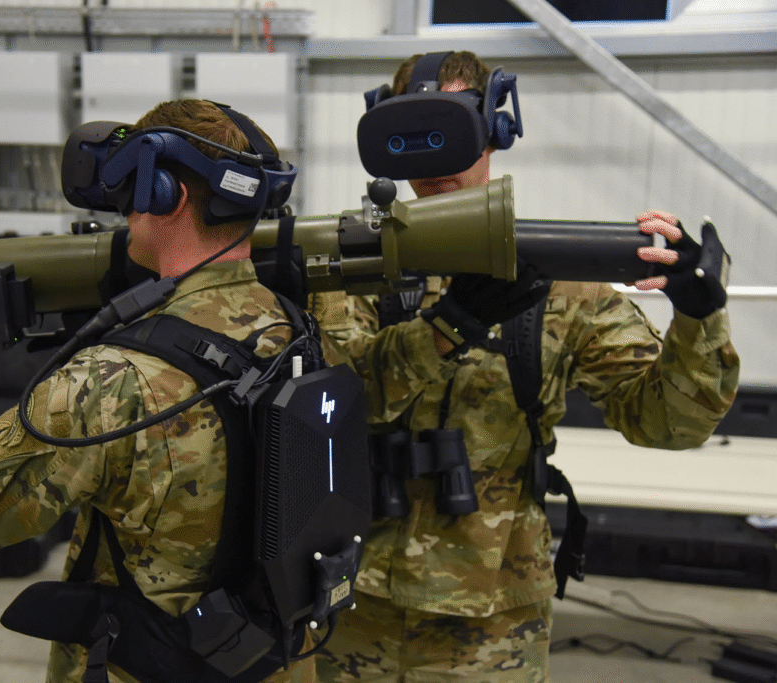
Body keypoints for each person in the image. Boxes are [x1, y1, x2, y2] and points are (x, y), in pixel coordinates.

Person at [313, 52, 740, 682]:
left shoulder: (557, 280)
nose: (432, 158)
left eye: (450, 127)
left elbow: (667, 424)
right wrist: (446, 327)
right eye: (411, 132)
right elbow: (334, 409)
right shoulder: (349, 267)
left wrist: (698, 318)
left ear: (494, 130)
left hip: (491, 625)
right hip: (348, 601)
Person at [0, 99, 330, 683]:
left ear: (166, 194)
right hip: (270, 662)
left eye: (130, 190)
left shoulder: (112, 382)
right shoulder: (293, 323)